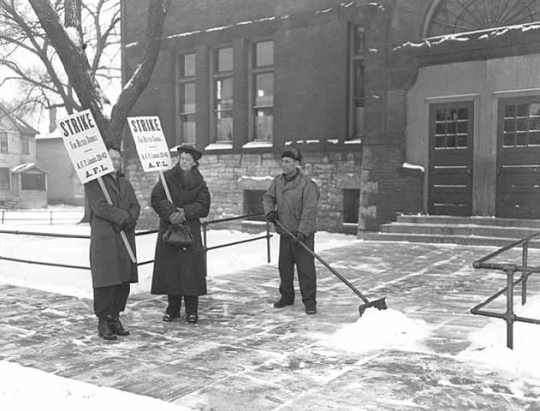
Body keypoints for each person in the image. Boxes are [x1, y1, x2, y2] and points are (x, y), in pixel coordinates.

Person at [84, 146, 140, 341]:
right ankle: (103, 320)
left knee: (122, 280)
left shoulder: (125, 183)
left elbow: (135, 205)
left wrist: (129, 219)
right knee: (106, 280)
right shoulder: (94, 182)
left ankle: (115, 317)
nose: (115, 162)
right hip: (106, 238)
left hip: (124, 238)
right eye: (110, 158)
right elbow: (100, 207)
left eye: (117, 158)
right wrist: (122, 218)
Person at [151, 143, 211, 324]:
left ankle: (192, 310)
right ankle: (173, 308)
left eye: (188, 159)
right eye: (182, 158)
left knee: (190, 272)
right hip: (170, 231)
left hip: (189, 234)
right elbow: (157, 198)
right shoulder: (166, 178)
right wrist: (170, 213)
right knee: (172, 271)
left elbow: (203, 205)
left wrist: (184, 212)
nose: (184, 162)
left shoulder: (200, 183)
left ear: (194, 163)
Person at [262, 147, 320, 314]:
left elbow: (309, 211)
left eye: (287, 161)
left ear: (296, 163)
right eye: (283, 161)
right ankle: (286, 297)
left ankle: (310, 301)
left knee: (306, 270)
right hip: (285, 233)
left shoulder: (306, 185)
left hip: (302, 235)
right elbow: (268, 197)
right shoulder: (278, 181)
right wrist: (270, 212)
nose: (284, 164)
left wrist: (302, 232)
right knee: (285, 268)